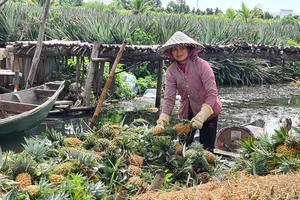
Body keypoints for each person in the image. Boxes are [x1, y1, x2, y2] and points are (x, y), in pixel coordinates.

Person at [155, 31, 222, 151]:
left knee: (206, 150)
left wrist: (201, 116)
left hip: (208, 112)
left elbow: (212, 94)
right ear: (170, 52)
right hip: (187, 112)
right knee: (182, 148)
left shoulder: (202, 66)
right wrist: (163, 119)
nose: (178, 52)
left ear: (189, 49)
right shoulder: (171, 71)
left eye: (182, 48)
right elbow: (169, 99)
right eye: (174, 49)